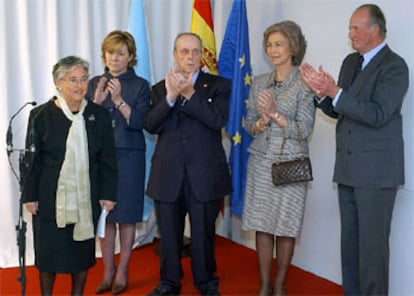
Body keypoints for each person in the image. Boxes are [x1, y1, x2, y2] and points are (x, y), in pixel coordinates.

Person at [300, 4, 409, 295]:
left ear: (375, 30)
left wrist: (336, 92)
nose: (350, 34)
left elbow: (377, 114)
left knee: (372, 254)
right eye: (350, 28)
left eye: (355, 28)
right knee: (350, 249)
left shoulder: (395, 66)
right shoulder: (351, 62)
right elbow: (341, 111)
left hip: (376, 175)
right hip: (348, 170)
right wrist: (320, 93)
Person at [143, 32, 232, 296]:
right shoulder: (160, 88)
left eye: (195, 51)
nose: (190, 57)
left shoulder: (219, 86)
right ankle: (168, 283)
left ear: (202, 54)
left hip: (204, 173)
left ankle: (206, 283)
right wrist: (170, 97)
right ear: (175, 54)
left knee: (203, 234)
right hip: (168, 174)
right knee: (169, 234)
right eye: (184, 51)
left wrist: (191, 94)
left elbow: (217, 121)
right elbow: (149, 124)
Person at [21, 55, 118, 295]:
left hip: (86, 197)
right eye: (72, 79)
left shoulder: (98, 116)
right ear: (58, 83)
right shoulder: (40, 115)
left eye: (84, 79)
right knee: (48, 256)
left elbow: (107, 159)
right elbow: (31, 161)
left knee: (81, 256)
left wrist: (108, 194)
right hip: (49, 198)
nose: (79, 85)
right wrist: (29, 196)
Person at [241, 21, 315, 296]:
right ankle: (264, 285)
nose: (272, 50)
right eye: (269, 45)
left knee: (285, 227)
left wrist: (276, 115)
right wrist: (261, 121)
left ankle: (280, 285)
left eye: (279, 44)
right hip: (261, 162)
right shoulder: (259, 81)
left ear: (293, 47)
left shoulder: (305, 84)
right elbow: (248, 125)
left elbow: (304, 130)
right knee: (262, 225)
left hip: (290, 166)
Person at [87, 30, 150, 295]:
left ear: (131, 57)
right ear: (104, 54)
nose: (115, 57)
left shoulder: (141, 85)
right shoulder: (93, 83)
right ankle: (108, 269)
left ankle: (123, 269)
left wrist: (119, 100)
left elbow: (140, 123)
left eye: (121, 53)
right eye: (111, 52)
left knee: (126, 217)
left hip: (129, 156)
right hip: (101, 157)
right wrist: (97, 104)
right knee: (106, 216)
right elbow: (84, 124)